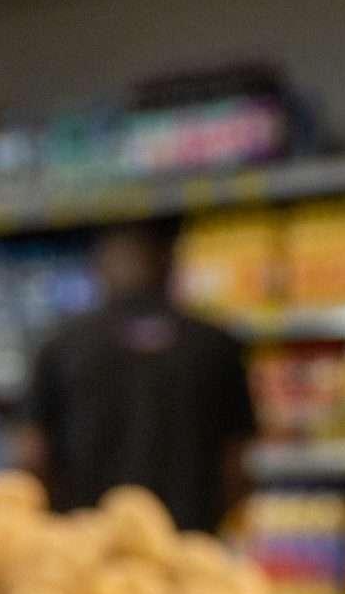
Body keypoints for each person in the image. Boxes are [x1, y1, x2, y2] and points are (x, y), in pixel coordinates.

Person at [22, 220, 258, 534]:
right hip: (189, 539)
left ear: (100, 269)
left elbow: (32, 454)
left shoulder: (63, 343)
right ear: (169, 266)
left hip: (88, 541)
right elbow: (238, 459)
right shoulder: (215, 344)